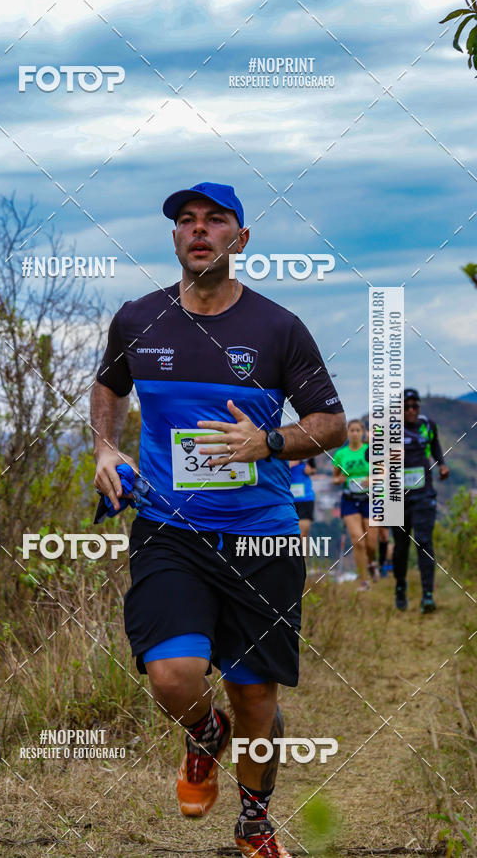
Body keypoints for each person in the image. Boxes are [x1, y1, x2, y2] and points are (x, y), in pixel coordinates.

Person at [91, 181, 347, 858]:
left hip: (261, 533)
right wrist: (106, 447)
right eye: (186, 221)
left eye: (215, 220)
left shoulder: (277, 328)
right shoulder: (139, 319)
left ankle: (255, 825)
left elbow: (332, 424)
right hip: (170, 529)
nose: (198, 230)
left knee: (254, 694)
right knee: (174, 675)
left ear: (240, 239)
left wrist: (269, 442)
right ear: (174, 238)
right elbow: (109, 386)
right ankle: (205, 737)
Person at [393, 388, 449, 613]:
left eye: (414, 406)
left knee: (424, 542)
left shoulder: (428, 425)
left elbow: (435, 446)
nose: (410, 410)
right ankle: (400, 587)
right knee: (401, 547)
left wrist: (442, 464)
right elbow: (370, 456)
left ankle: (428, 595)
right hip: (396, 497)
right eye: (406, 407)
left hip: (424, 494)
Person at [331, 419, 379, 590]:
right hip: (350, 500)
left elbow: (382, 473)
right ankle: (364, 581)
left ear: (363, 432)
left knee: (371, 542)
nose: (355, 433)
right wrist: (340, 479)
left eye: (358, 430)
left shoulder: (370, 451)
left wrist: (371, 480)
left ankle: (372, 562)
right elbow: (334, 479)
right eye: (352, 430)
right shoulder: (341, 454)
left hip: (370, 499)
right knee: (358, 541)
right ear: (347, 432)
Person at [289, 458, 316, 562]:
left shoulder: (307, 452)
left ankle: (302, 565)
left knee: (302, 534)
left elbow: (313, 469)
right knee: (290, 535)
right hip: (288, 500)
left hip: (305, 499)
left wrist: (311, 470)